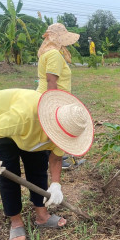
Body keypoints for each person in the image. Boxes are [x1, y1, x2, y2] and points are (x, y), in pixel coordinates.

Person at [0, 89, 94, 240]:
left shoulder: (66, 127)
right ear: (50, 129)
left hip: (30, 130)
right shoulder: (21, 118)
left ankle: (42, 216)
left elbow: (56, 158)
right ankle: (16, 222)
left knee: (38, 168)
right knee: (8, 172)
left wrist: (56, 185)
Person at [36, 23, 80, 168]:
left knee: (55, 129)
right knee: (56, 129)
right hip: (53, 97)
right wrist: (53, 103)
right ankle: (59, 160)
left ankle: (61, 157)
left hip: (53, 96)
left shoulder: (49, 52)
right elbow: (51, 81)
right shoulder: (53, 54)